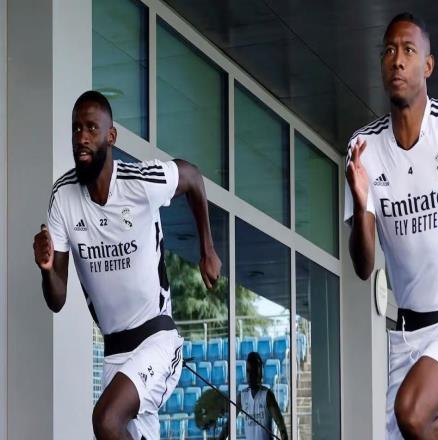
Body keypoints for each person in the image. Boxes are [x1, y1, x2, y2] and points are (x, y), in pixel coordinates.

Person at [345, 12, 438, 440]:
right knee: (427, 427)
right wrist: (361, 200)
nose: (398, 60)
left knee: (411, 411)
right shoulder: (363, 150)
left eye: (409, 50)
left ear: (427, 65)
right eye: (389, 51)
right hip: (407, 336)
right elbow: (363, 265)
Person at [33, 90, 222, 440]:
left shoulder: (140, 183)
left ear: (111, 136)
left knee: (106, 420)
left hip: (157, 341)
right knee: (116, 427)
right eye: (76, 128)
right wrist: (46, 270)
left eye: (91, 127)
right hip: (114, 355)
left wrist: (207, 250)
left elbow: (192, 177)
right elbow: (56, 299)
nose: (82, 137)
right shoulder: (62, 198)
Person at [219, 352, 288, 440]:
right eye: (248, 371)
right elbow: (228, 425)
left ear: (260, 373)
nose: (250, 375)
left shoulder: (267, 395)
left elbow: (280, 424)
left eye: (253, 372)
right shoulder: (242, 396)